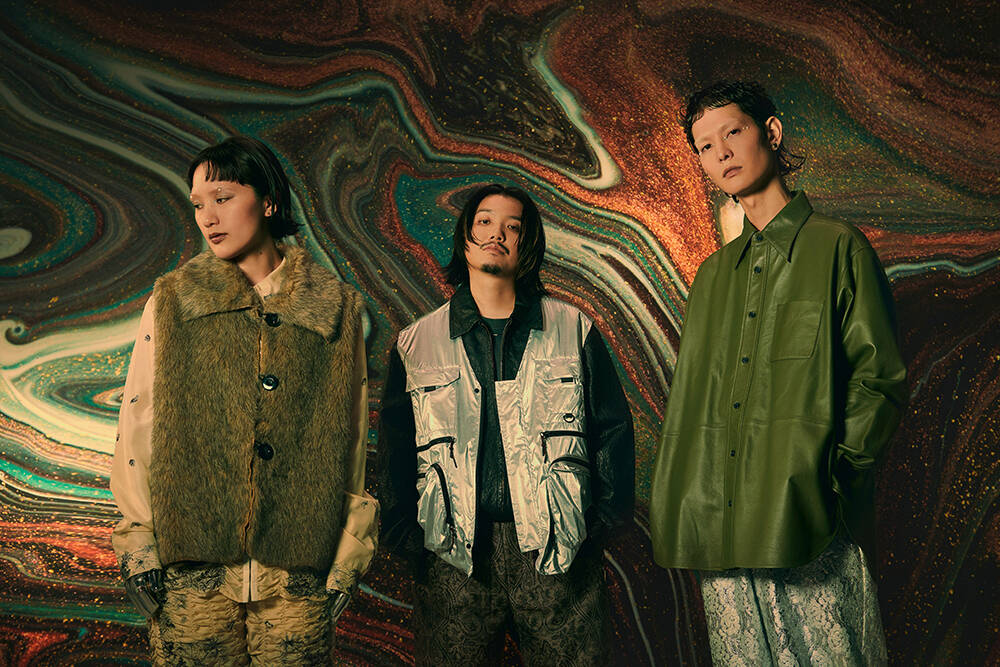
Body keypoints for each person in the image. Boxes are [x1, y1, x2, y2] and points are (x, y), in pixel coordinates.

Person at [649, 81, 907, 664]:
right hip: (717, 534)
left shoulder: (839, 247)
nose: (721, 153)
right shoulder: (711, 276)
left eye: (732, 132)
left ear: (771, 132)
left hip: (809, 525)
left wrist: (831, 479)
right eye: (705, 146)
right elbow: (696, 401)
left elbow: (879, 380)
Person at [110, 136, 377, 665]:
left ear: (269, 202)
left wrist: (350, 550)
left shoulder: (333, 306)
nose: (208, 217)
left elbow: (350, 438)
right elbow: (138, 420)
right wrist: (138, 542)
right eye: (198, 204)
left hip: (298, 570)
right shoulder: (173, 300)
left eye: (223, 197)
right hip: (192, 565)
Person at [377, 183, 634, 665]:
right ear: (465, 237)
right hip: (453, 556)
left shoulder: (573, 328)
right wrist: (410, 540)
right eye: (485, 222)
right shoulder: (417, 342)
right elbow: (395, 446)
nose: (497, 233)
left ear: (527, 244)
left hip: (558, 552)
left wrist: (595, 527)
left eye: (513, 227)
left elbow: (612, 430)